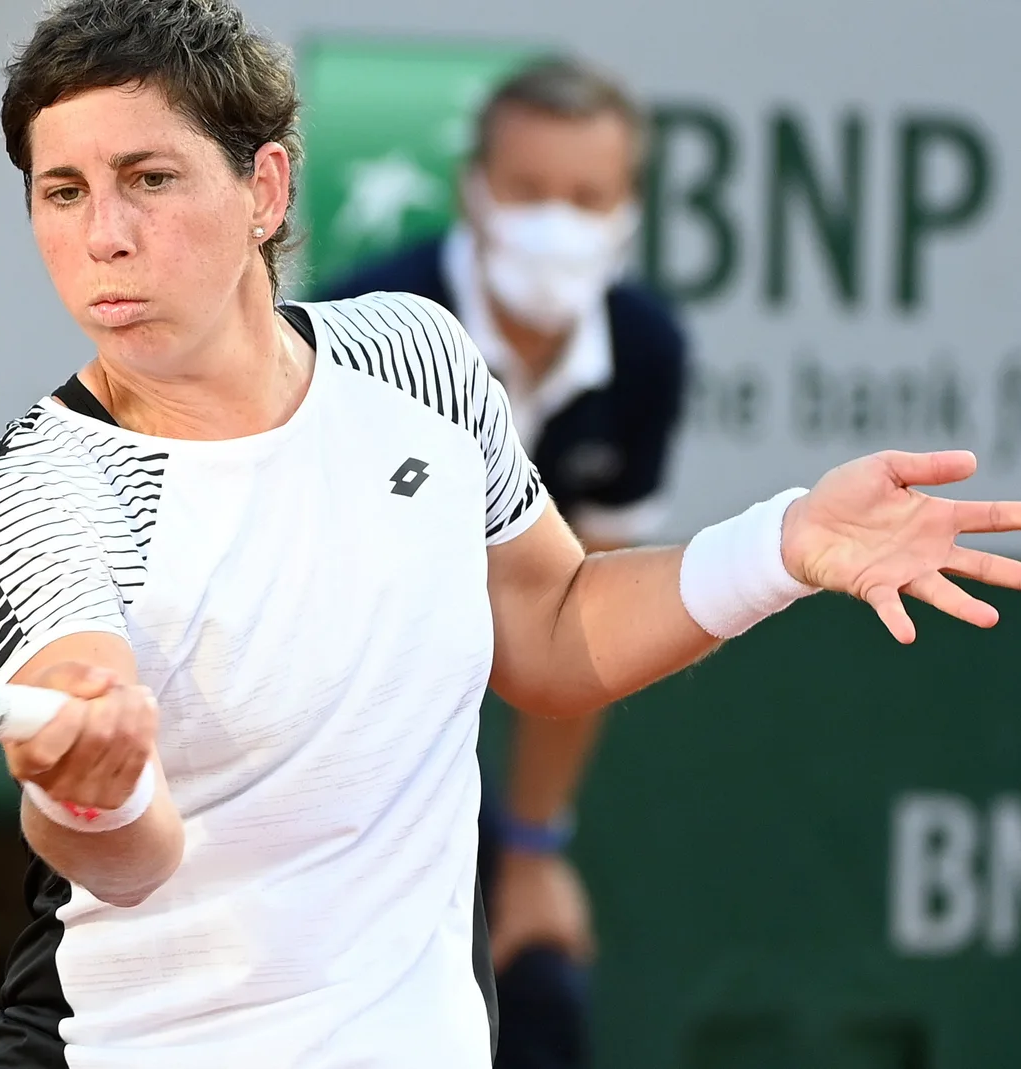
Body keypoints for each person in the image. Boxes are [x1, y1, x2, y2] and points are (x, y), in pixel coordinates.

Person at [0, 3, 1021, 1067]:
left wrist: (784, 545)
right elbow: (125, 861)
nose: (103, 236)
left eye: (149, 178)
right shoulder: (35, 498)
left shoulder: (414, 356)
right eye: (62, 190)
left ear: (265, 188)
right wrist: (94, 789)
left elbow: (551, 628)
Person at [316, 56, 682, 1068]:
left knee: (541, 997)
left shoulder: (648, 352)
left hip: (484, 766)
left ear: (629, 210)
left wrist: (528, 849)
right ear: (471, 191)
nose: (555, 224)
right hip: (341, 766)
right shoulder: (358, 328)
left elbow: (587, 614)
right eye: (526, 193)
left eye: (586, 197)